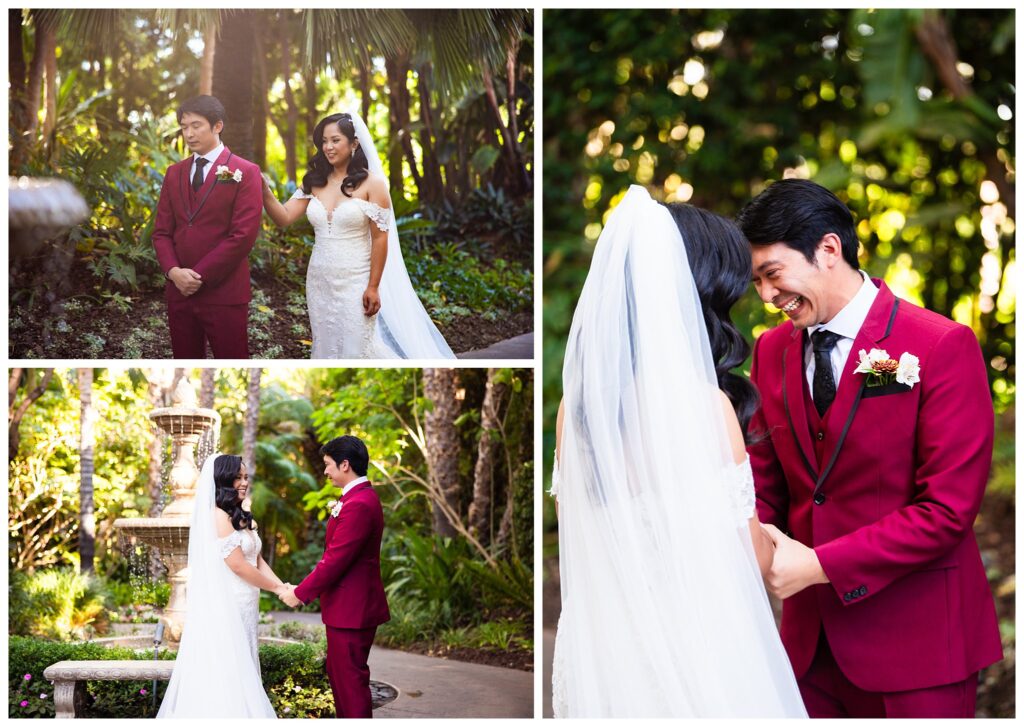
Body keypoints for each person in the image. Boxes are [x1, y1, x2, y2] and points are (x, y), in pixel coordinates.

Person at [737, 178, 1002, 718]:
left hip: (920, 648)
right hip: (808, 655)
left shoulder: (940, 345)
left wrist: (816, 566)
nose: (766, 297)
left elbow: (947, 511)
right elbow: (763, 487)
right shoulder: (769, 354)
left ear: (828, 250)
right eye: (756, 281)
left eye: (773, 274)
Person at [551, 185, 806, 717]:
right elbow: (746, 554)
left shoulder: (576, 411)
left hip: (603, 650)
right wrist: (776, 540)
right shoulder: (705, 407)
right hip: (694, 648)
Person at [261, 112, 454, 359]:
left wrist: (373, 286)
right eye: (323, 141)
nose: (328, 147)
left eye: (335, 140)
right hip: (319, 281)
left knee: (356, 346)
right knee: (326, 344)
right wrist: (265, 191)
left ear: (354, 143)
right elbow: (284, 217)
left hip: (356, 280)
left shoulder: (373, 185)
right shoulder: (314, 181)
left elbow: (381, 238)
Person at [158, 454, 292, 717]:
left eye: (245, 477)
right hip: (226, 604)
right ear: (222, 480)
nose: (243, 482)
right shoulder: (218, 516)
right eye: (237, 477)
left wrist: (284, 586)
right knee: (228, 671)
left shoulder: (240, 514)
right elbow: (239, 566)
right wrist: (277, 590)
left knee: (244, 666)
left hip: (246, 603)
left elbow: (257, 559)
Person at [278, 436, 390, 718]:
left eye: (328, 465)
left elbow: (335, 560)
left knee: (349, 683)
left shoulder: (359, 504)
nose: (325, 471)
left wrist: (299, 592)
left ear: (345, 464)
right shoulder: (356, 499)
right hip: (348, 608)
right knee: (342, 678)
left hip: (352, 610)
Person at [151, 95, 263, 358]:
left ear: (217, 126)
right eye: (184, 126)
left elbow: (243, 236)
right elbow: (162, 232)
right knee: (184, 360)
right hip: (179, 292)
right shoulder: (174, 173)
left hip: (224, 292)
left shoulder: (245, 171)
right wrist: (174, 272)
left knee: (233, 358)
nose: (189, 134)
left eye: (196, 125)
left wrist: (198, 276)